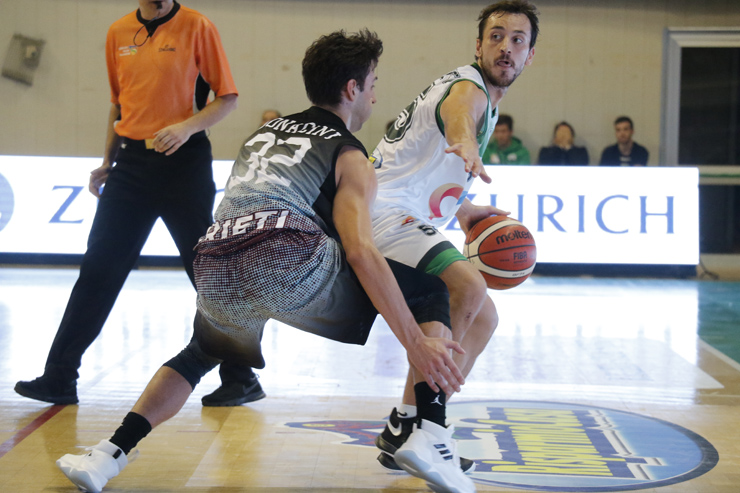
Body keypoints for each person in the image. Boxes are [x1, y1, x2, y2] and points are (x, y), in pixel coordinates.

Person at [54, 29, 475, 493]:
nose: (375, 94)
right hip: (284, 257)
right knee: (431, 289)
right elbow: (360, 251)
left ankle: (108, 454)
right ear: (352, 88)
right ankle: (430, 434)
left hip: (215, 257)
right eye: (372, 83)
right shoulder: (350, 155)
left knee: (199, 353)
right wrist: (415, 341)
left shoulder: (264, 133)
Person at [14, 0, 263, 409]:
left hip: (184, 162)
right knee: (99, 268)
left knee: (206, 271)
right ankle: (59, 377)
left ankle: (241, 376)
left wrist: (185, 128)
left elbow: (227, 97)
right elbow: (119, 104)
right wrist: (107, 161)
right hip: (131, 166)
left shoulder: (197, 26)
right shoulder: (118, 32)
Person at [370, 0, 537, 472]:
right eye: (496, 36)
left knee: (483, 319)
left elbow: (418, 165)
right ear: (479, 45)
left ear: (529, 56)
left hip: (393, 209)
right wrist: (463, 138)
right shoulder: (470, 89)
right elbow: (459, 112)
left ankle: (406, 423)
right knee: (469, 285)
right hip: (380, 214)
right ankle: (431, 429)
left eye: (517, 40)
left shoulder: (477, 90)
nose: (506, 47)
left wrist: (463, 209)